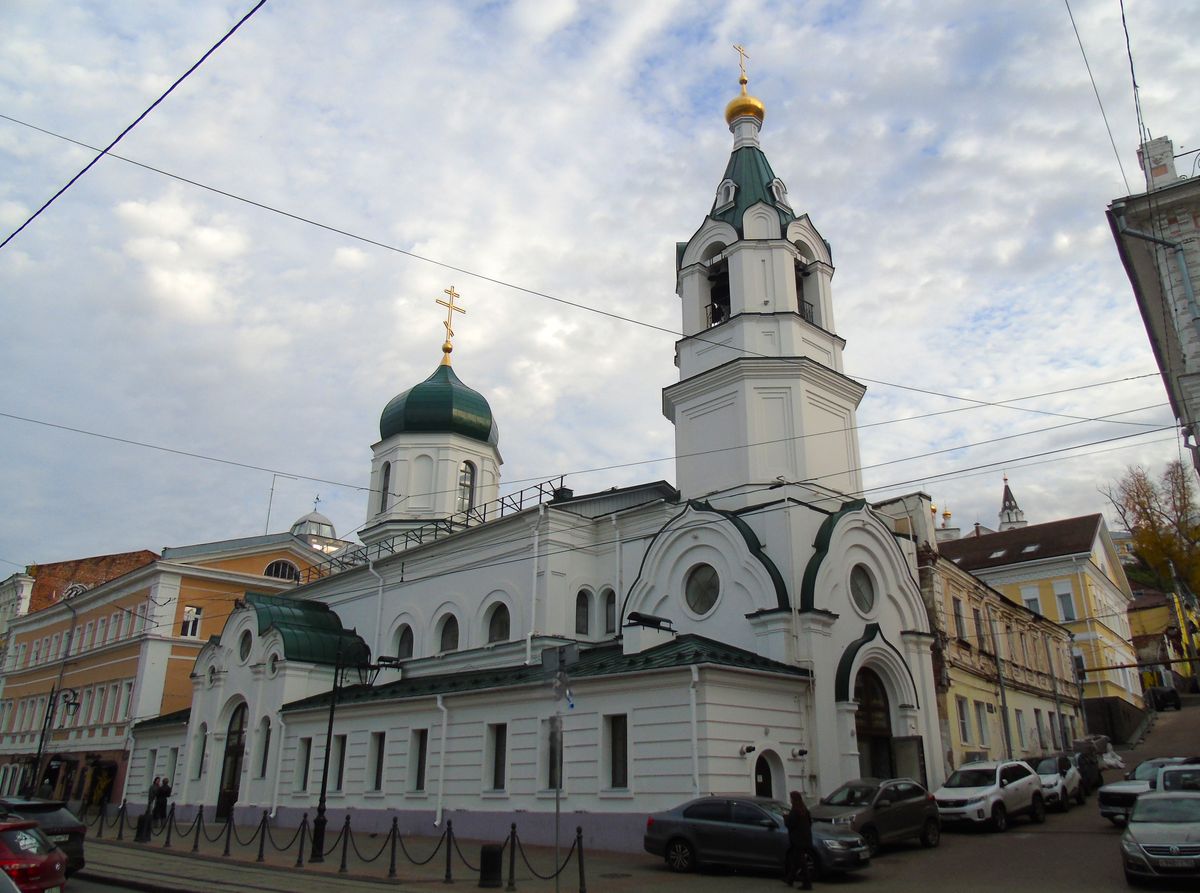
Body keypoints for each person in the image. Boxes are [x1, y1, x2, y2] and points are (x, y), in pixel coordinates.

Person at [783, 789, 813, 889]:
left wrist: (785, 818)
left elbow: (790, 824)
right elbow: (809, 823)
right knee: (796, 860)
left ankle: (807, 883)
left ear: (793, 799)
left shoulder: (795, 811)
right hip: (805, 838)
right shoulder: (804, 810)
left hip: (797, 840)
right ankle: (790, 879)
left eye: (791, 798)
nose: (790, 800)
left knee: (801, 862)